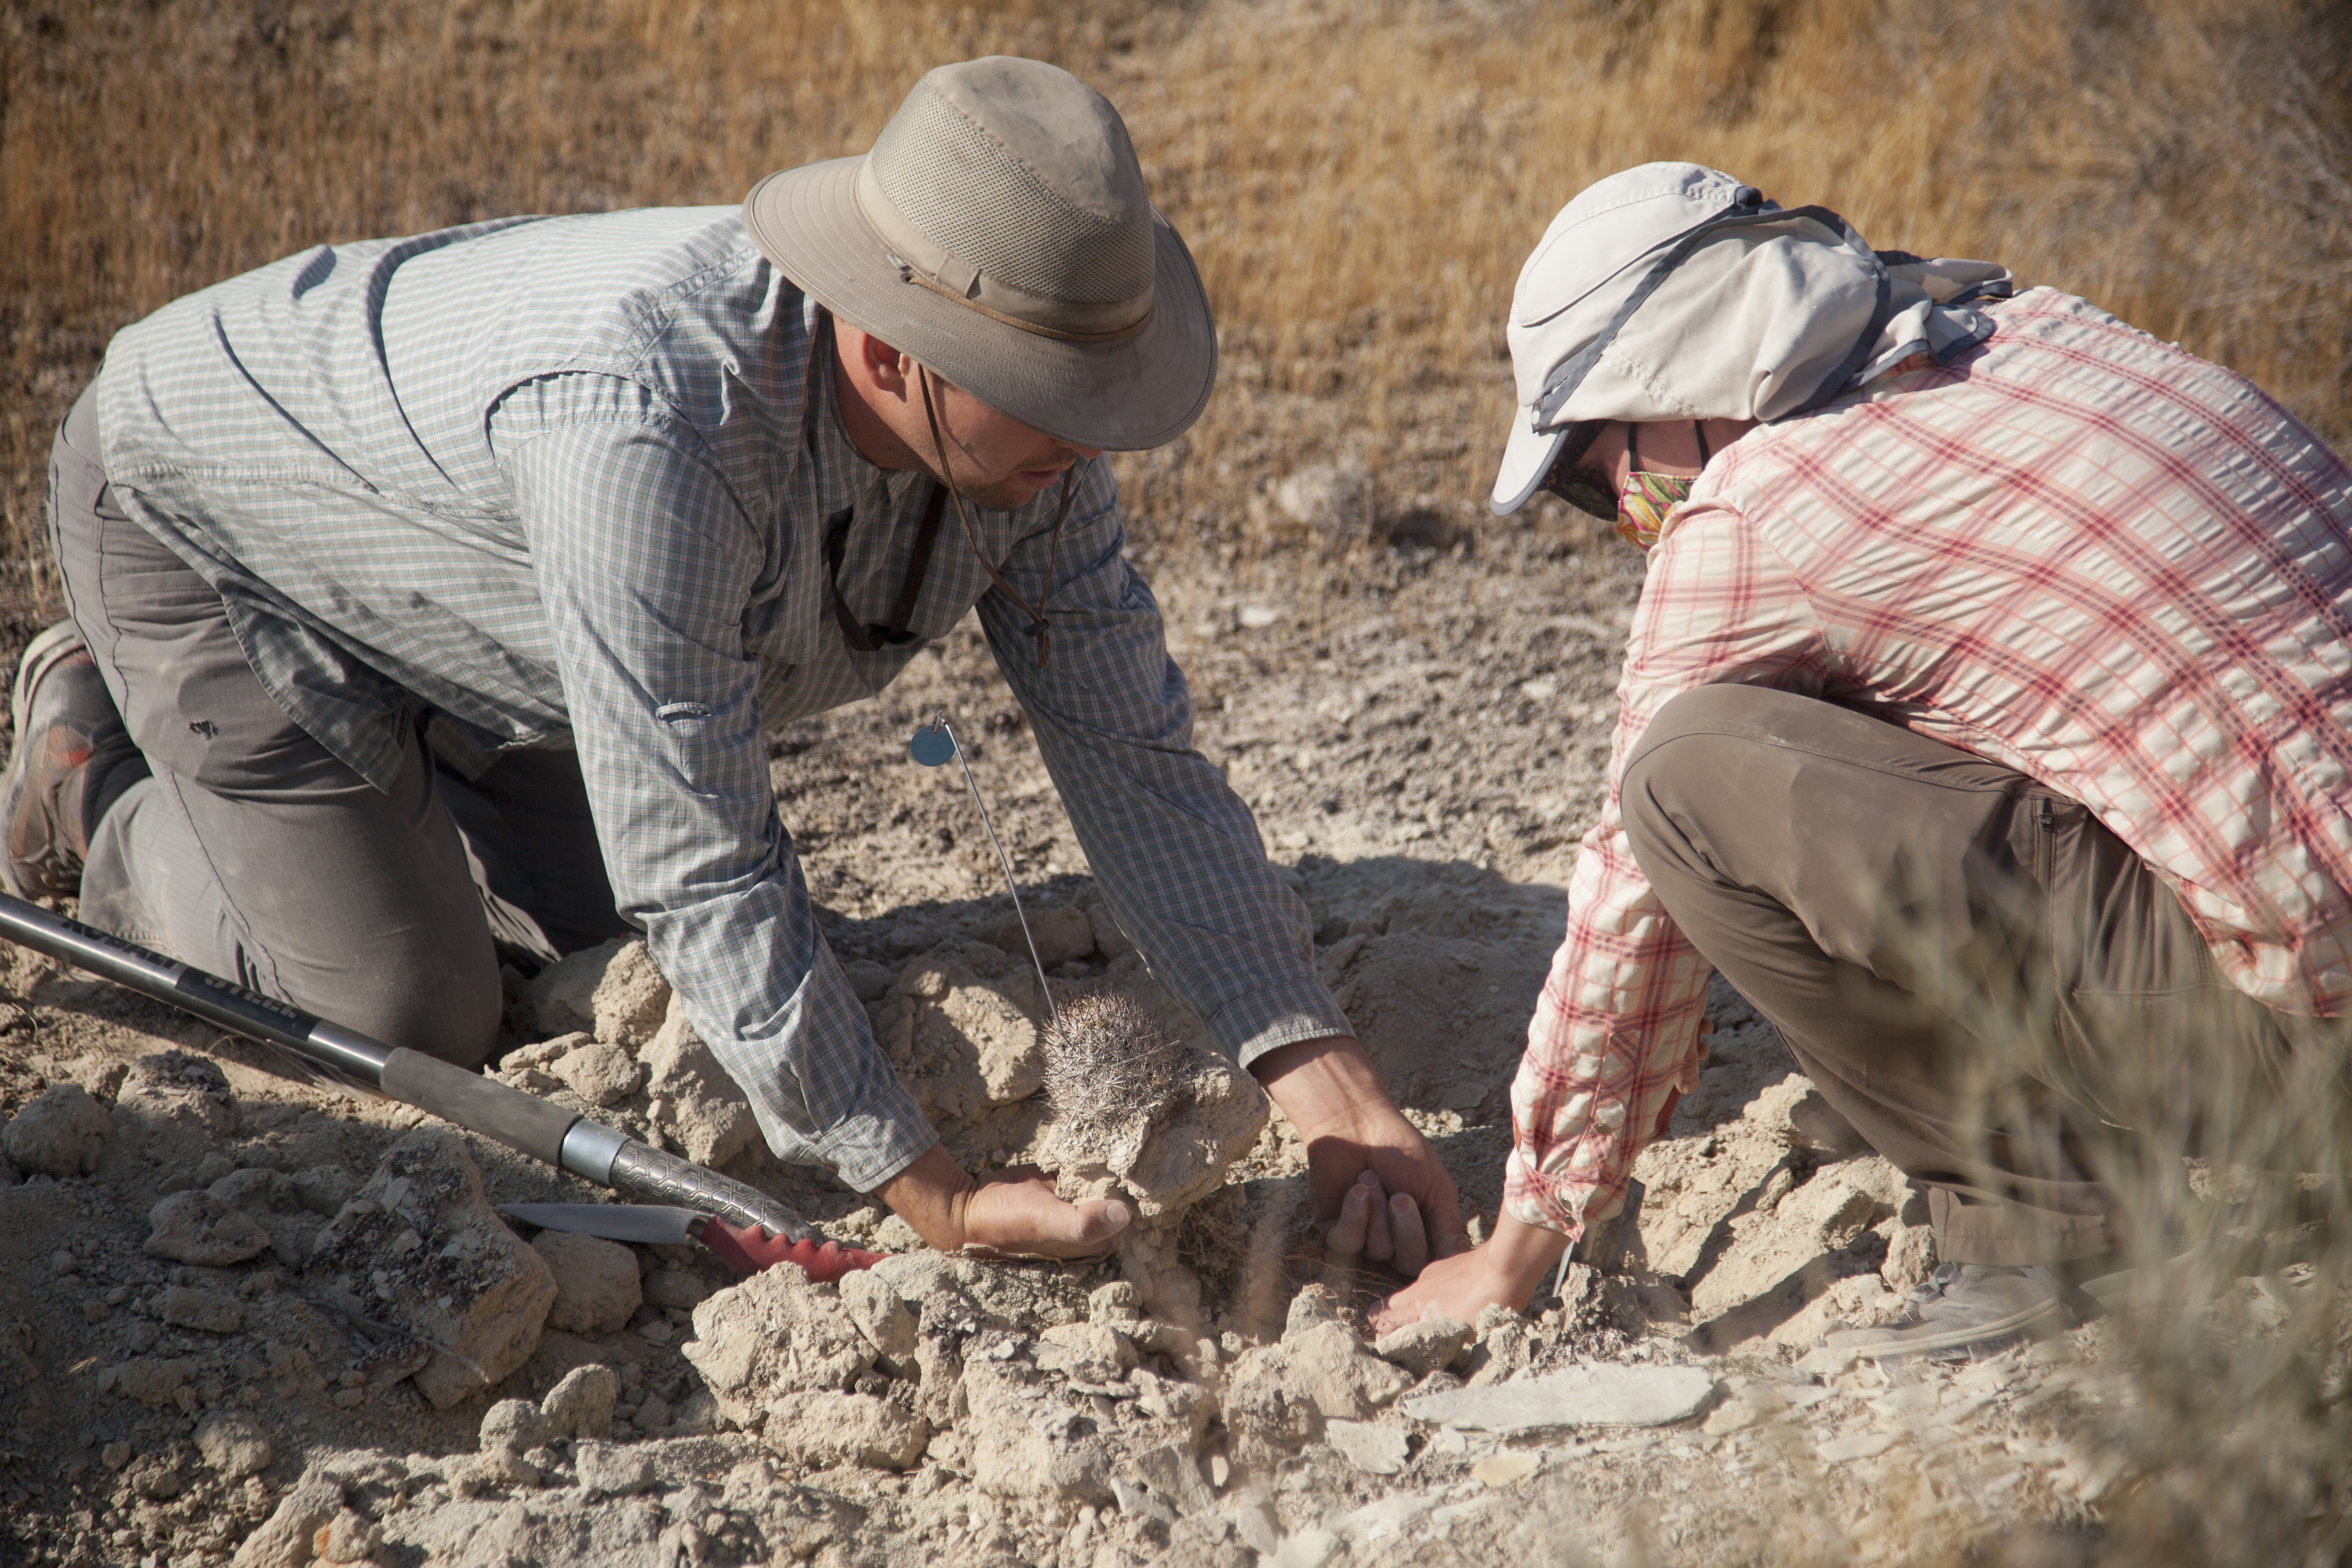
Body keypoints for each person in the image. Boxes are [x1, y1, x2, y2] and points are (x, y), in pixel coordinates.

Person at [11, 57, 1458, 1268]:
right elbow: (700, 864)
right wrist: (923, 1184)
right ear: (896, 356)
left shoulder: (1032, 450)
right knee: (418, 1007)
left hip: (512, 588)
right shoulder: (654, 418)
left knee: (601, 963)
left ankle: (439, 748)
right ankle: (99, 779)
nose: (1091, 444)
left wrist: (1332, 1089)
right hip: (209, 516)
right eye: (1048, 404)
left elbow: (1133, 754)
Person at [1376, 161, 2352, 1351]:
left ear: (1673, 374)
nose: (1630, 514)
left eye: (1604, 475)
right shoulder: (2026, 328)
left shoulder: (1749, 513)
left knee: (1683, 781)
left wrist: (1518, 1244)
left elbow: (1629, 912)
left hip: (2304, 1059)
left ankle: (2040, 1220)